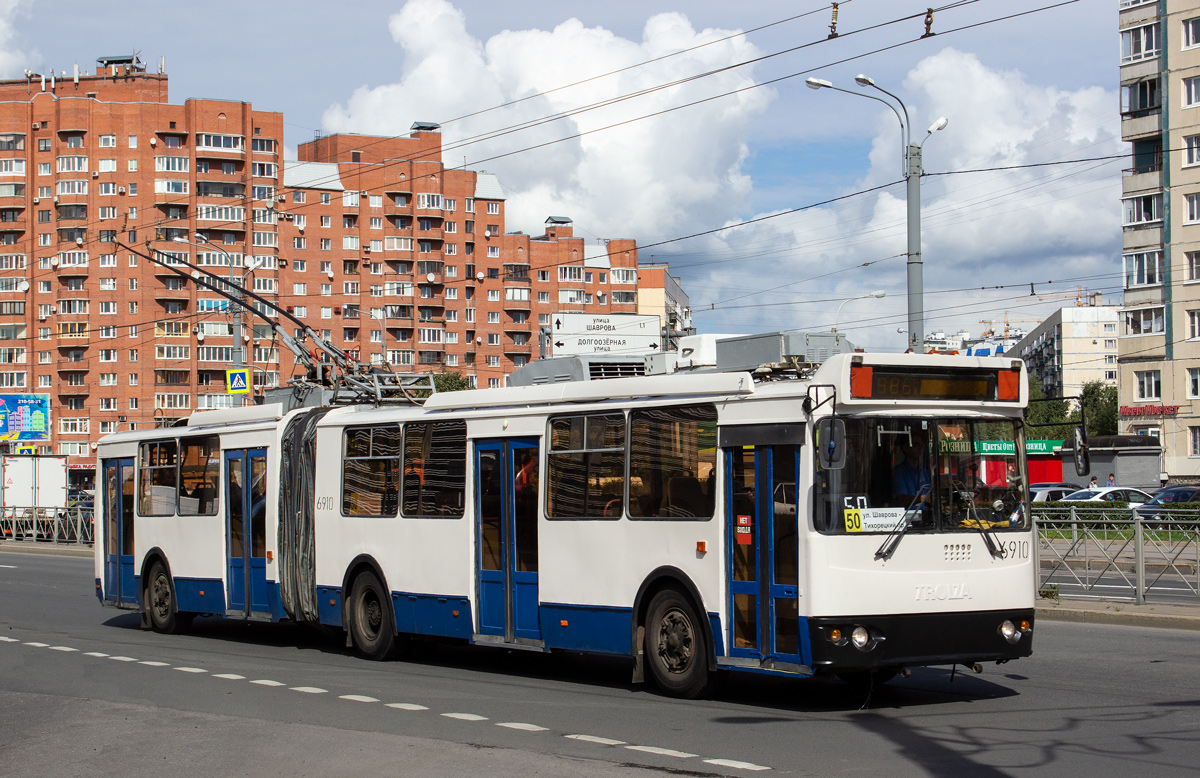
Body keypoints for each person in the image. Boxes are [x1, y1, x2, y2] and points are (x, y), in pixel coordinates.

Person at [892, 429, 932, 506]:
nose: (921, 449)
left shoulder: (925, 473)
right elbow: (902, 499)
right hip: (908, 513)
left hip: (926, 513)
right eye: (917, 445)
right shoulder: (899, 472)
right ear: (905, 448)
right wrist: (922, 498)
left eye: (922, 445)